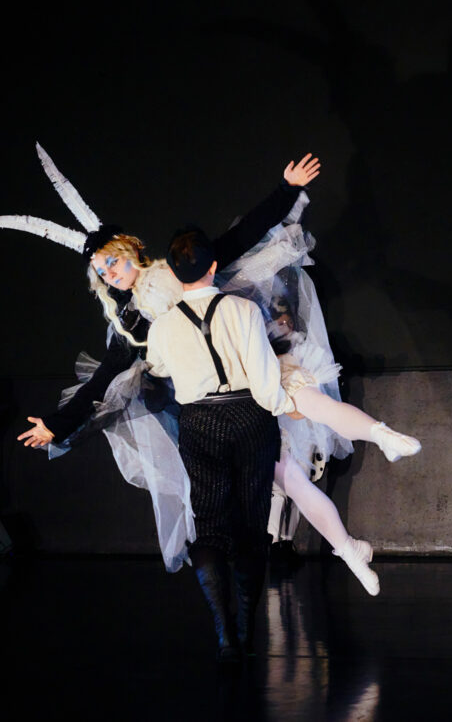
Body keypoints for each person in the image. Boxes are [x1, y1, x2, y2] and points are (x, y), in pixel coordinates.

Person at [6, 146, 418, 579]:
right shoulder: (131, 322)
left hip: (249, 366)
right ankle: (348, 548)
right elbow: (104, 380)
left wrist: (286, 191)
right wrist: (57, 423)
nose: (109, 272)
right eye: (101, 270)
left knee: (314, 404)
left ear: (131, 249)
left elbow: (238, 240)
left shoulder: (180, 268)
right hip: (217, 406)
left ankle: (381, 435)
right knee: (289, 480)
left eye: (112, 260)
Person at [147, 228, 322, 660]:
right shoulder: (242, 309)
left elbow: (158, 366)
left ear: (172, 271)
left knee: (208, 525)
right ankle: (244, 628)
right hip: (248, 415)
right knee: (250, 524)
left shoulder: (164, 324)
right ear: (212, 268)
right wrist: (287, 404)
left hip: (199, 420)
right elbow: (264, 381)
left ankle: (224, 633)